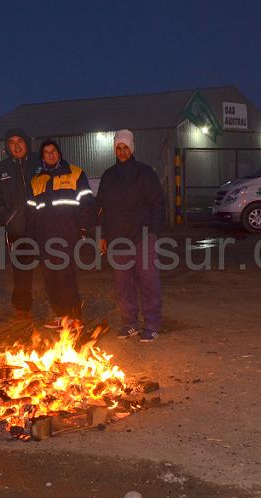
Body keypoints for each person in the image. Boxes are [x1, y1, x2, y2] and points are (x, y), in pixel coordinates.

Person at [97, 129, 165, 343]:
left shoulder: (145, 173)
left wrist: (153, 231)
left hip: (142, 236)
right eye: (118, 147)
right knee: (123, 284)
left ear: (132, 148)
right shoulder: (108, 176)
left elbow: (158, 203)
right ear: (115, 150)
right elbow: (101, 209)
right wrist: (102, 235)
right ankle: (130, 324)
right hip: (117, 239)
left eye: (125, 147)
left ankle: (152, 324)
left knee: (148, 281)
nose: (122, 151)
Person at [28, 139, 96, 329]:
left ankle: (74, 317)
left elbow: (87, 203)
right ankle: (60, 315)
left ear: (59, 153)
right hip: (44, 238)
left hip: (68, 234)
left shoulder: (75, 173)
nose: (50, 154)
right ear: (42, 157)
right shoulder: (36, 181)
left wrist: (84, 228)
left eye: (53, 151)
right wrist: (32, 238)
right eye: (46, 152)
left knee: (65, 276)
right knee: (50, 277)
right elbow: (32, 212)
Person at [0, 128, 41, 320]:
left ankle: (62, 311)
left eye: (20, 141)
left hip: (44, 227)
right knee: (21, 272)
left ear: (26, 142)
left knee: (55, 269)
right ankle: (22, 309)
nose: (16, 146)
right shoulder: (1, 170)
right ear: (7, 146)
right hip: (18, 230)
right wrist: (7, 219)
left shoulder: (39, 162)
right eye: (12, 142)